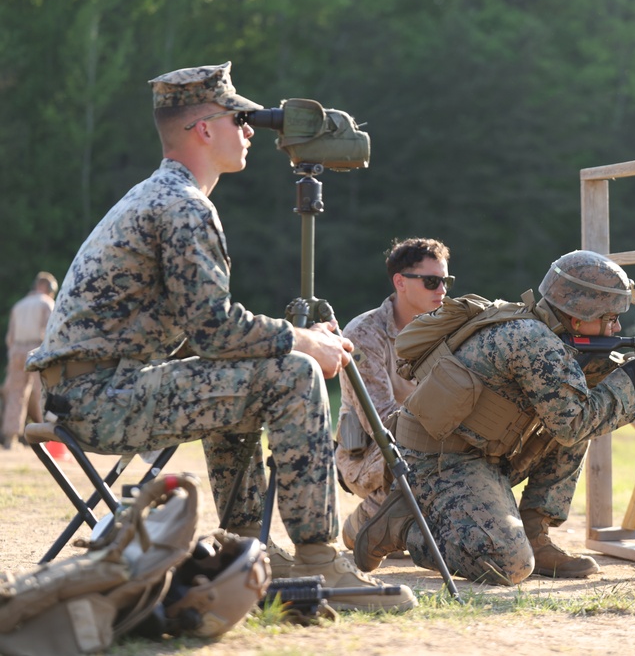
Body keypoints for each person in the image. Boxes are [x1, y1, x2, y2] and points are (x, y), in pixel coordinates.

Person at [25, 62, 415, 612]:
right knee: (292, 373)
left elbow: (212, 339)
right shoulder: (183, 207)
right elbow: (217, 331)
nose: (251, 130)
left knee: (246, 379)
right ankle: (318, 561)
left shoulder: (159, 195)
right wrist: (303, 343)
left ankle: (247, 549)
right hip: (103, 399)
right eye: (239, 118)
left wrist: (293, 335)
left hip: (89, 392)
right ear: (204, 129)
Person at [353, 250, 635, 585]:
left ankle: (535, 533)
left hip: (481, 452)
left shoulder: (544, 330)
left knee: (582, 409)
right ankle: (406, 529)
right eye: (609, 317)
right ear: (578, 317)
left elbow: (575, 407)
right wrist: (629, 381)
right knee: (509, 564)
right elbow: (573, 422)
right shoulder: (534, 342)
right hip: (439, 461)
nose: (616, 326)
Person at [336, 237, 452, 550]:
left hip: (424, 442)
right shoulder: (363, 334)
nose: (441, 290)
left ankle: (401, 528)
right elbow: (381, 420)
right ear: (400, 282)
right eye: (431, 282)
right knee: (422, 447)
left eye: (445, 281)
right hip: (371, 455)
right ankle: (365, 523)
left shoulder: (447, 330)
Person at [2, 272, 58, 449]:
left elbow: (9, 337)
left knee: (15, 394)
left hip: (16, 350)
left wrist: (13, 353)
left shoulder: (19, 305)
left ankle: (11, 438)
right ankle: (47, 436)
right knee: (43, 391)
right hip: (36, 348)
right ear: (46, 288)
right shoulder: (46, 303)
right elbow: (52, 330)